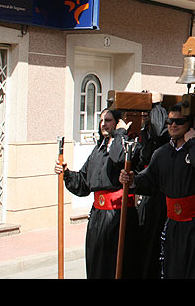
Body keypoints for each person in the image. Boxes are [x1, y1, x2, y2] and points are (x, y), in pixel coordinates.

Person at [118, 102, 195, 279]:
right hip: (174, 223)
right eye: (169, 121)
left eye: (179, 122)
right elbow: (148, 180)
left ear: (189, 125)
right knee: (174, 269)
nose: (173, 125)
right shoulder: (161, 153)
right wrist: (132, 180)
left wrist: (192, 142)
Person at [54, 108, 141, 279]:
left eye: (108, 120)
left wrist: (120, 134)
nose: (104, 124)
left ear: (117, 123)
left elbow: (119, 159)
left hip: (118, 215)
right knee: (96, 263)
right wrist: (67, 173)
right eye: (102, 120)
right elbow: (84, 182)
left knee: (114, 265)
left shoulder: (127, 145)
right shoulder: (98, 150)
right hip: (97, 216)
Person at [135, 97, 170, 279]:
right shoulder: (144, 134)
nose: (143, 117)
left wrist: (156, 104)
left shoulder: (162, 137)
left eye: (147, 114)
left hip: (158, 195)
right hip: (145, 191)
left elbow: (159, 133)